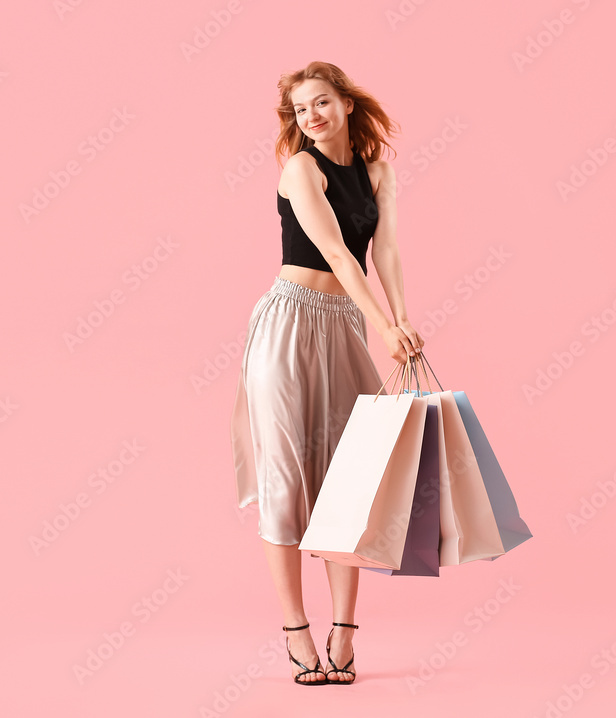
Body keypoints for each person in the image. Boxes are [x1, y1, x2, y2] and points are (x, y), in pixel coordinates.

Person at [230, 60, 423, 685]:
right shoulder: (300, 169)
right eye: (299, 109)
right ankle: (295, 632)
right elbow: (338, 252)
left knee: (350, 481)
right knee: (286, 480)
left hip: (342, 326)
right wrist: (387, 329)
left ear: (345, 103)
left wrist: (401, 320)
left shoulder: (378, 173)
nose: (311, 116)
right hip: (287, 327)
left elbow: (383, 249)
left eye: (320, 103)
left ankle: (344, 633)